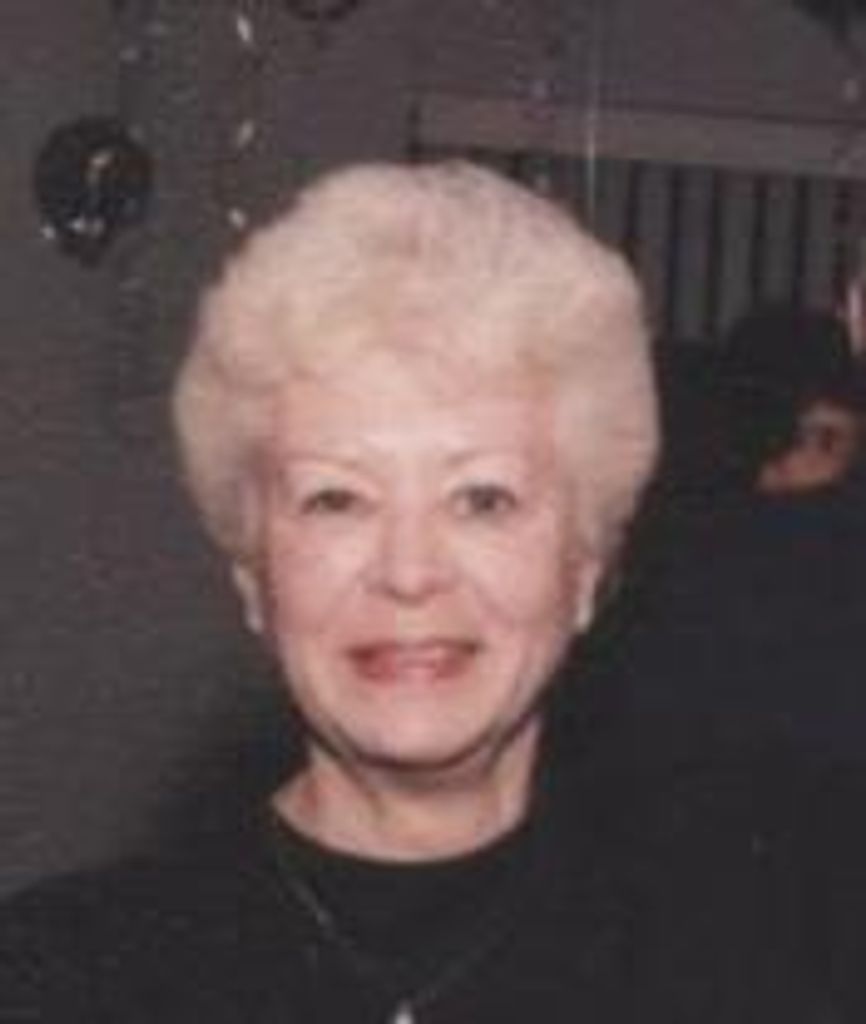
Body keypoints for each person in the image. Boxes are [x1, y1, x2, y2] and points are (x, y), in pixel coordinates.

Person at [0, 161, 837, 1022]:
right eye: (337, 500)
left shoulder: (759, 959)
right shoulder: (63, 974)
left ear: (586, 566)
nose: (408, 572)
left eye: (482, 499)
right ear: (254, 576)